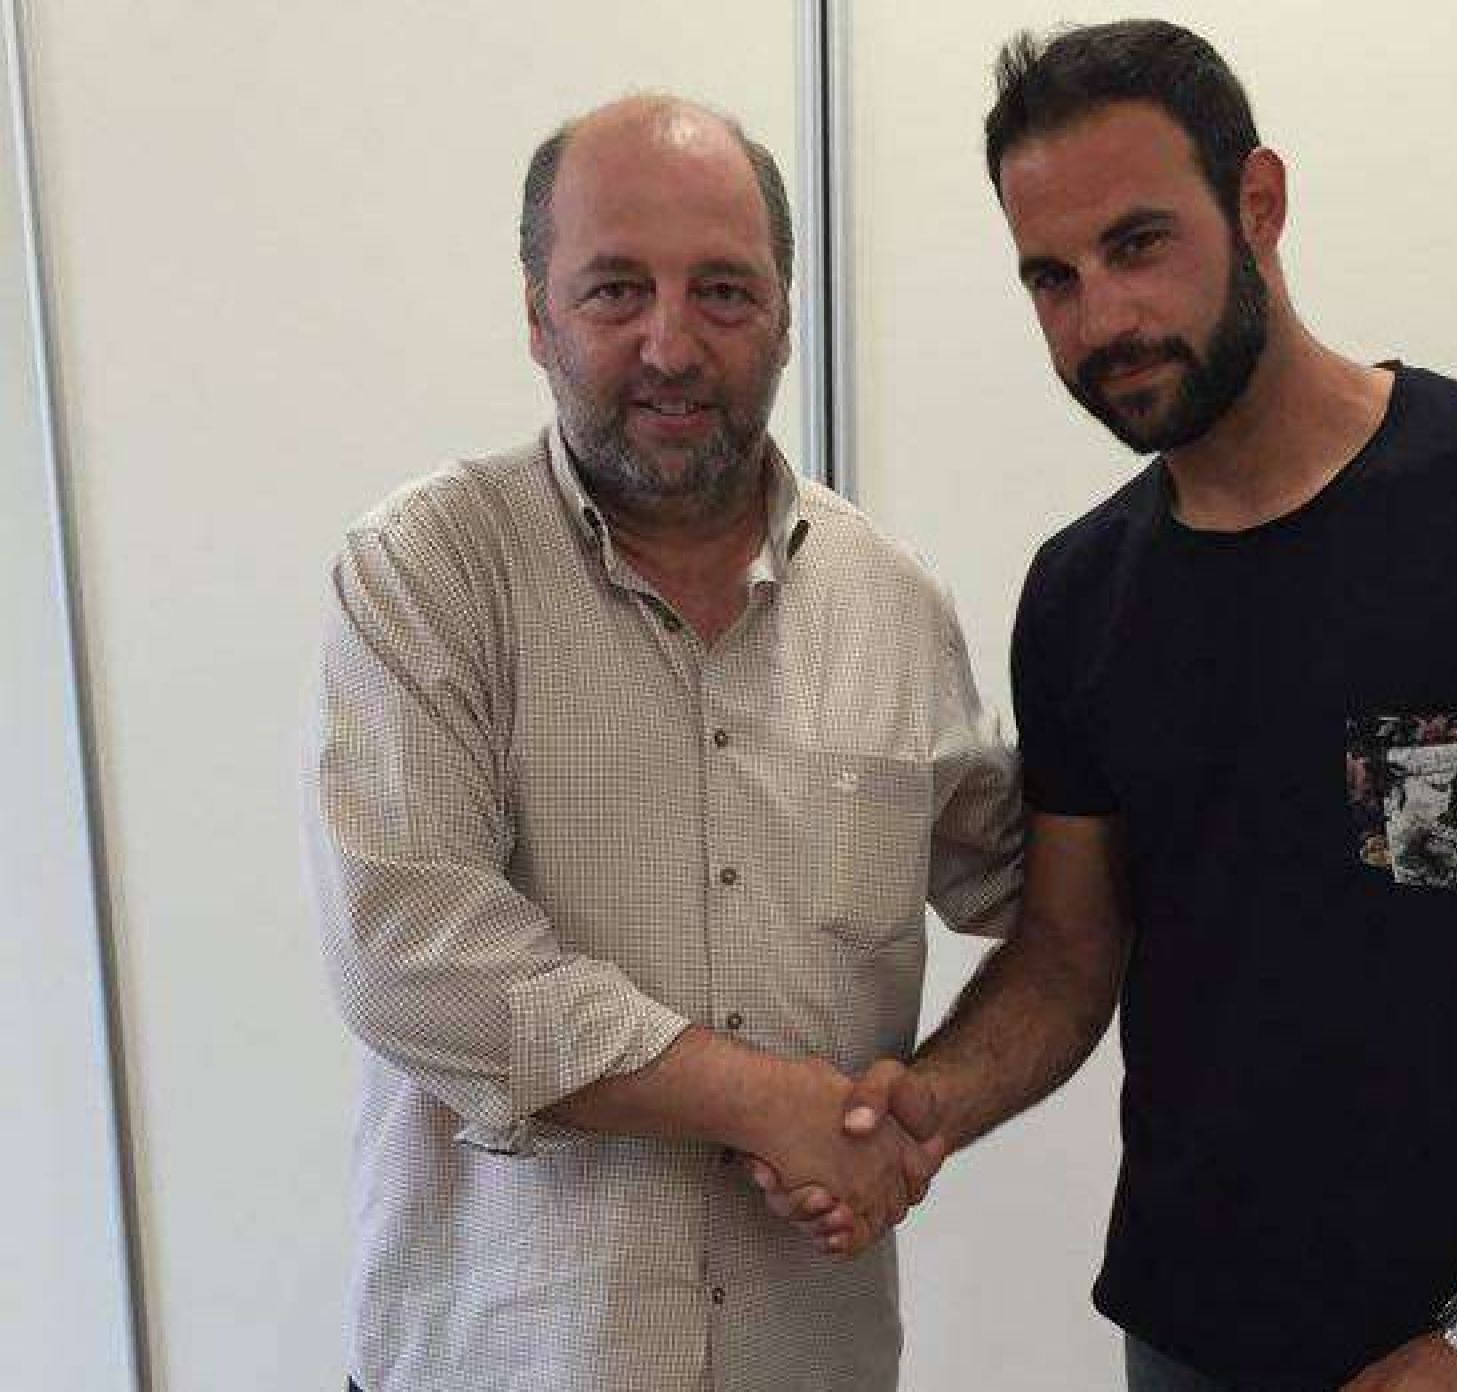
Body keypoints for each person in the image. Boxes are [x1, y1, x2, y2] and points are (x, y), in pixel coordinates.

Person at [762, 21, 1457, 1392]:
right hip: (1190, 1339)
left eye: (1139, 244)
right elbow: (1066, 959)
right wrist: (927, 1103)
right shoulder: (1081, 593)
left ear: (1259, 203)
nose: (1102, 319)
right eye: (1052, 277)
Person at [302, 93, 1020, 1392]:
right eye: (616, 291)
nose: (672, 346)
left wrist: (923, 1112)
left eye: (724, 293)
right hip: (506, 1363)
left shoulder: (895, 607)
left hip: (808, 1362)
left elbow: (1040, 891)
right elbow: (410, 952)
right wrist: (768, 1102)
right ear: (538, 315)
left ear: (786, 315)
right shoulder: (427, 573)